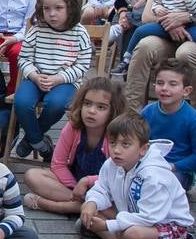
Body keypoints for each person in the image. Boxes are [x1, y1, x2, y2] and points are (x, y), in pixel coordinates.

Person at [80, 111, 194, 239]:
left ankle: (116, 238)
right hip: (132, 215)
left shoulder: (154, 176)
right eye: (112, 143)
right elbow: (102, 188)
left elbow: (150, 217)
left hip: (167, 224)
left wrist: (107, 225)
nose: (117, 150)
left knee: (134, 233)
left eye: (125, 144)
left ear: (143, 149)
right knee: (92, 209)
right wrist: (92, 202)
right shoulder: (112, 164)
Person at [12, 0, 92, 161]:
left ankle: (31, 139)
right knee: (22, 102)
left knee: (56, 104)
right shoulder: (37, 30)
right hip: (35, 78)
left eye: (58, 8)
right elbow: (23, 58)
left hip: (65, 82)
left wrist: (59, 78)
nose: (52, 14)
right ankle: (41, 144)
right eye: (46, 9)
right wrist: (34, 75)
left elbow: (82, 65)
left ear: (69, 7)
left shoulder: (79, 32)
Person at [24, 77, 124, 215]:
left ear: (113, 111)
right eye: (87, 104)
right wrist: (77, 187)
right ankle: (88, 207)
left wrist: (88, 181)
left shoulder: (116, 135)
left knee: (114, 199)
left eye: (101, 107)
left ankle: (54, 206)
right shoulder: (73, 126)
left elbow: (118, 175)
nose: (92, 111)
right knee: (32, 175)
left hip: (105, 189)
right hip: (73, 185)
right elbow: (58, 164)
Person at [142, 59, 196, 190]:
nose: (164, 88)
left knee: (162, 185)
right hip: (148, 163)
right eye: (160, 83)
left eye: (172, 84)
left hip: (178, 170)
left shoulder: (195, 121)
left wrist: (174, 166)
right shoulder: (147, 112)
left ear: (186, 91)